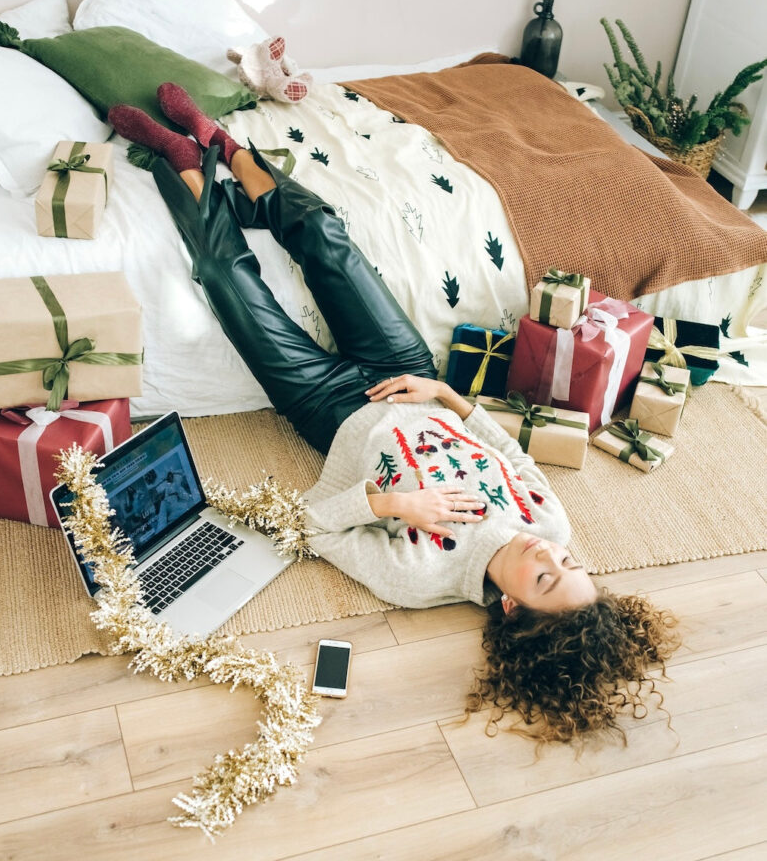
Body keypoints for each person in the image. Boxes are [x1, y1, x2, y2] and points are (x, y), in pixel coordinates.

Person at [108, 84, 680, 744]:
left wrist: (392, 508)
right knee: (328, 238)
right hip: (404, 373)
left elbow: (312, 528)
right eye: (570, 563)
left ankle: (181, 160)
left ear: (513, 607)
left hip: (325, 405)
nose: (551, 552)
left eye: (547, 575)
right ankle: (228, 149)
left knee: (225, 279)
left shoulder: (420, 578)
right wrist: (447, 398)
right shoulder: (548, 521)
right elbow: (514, 458)